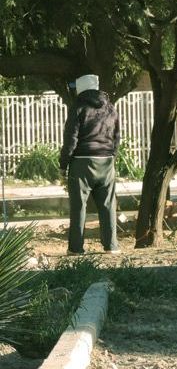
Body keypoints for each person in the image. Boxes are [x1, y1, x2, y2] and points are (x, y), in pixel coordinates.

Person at [59, 74, 121, 255]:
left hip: (81, 163)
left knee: (79, 206)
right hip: (107, 162)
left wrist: (63, 165)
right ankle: (111, 246)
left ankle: (76, 248)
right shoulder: (110, 109)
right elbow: (116, 137)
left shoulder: (78, 107)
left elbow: (71, 139)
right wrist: (111, 156)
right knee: (108, 205)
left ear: (80, 89)